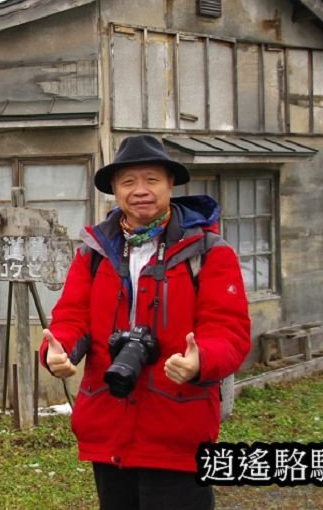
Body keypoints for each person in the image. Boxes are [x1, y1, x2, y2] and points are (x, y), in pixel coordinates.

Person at [40, 134, 251, 510]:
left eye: (152, 179)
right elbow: (71, 316)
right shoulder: (96, 252)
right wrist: (60, 349)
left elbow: (228, 329)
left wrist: (200, 358)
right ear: (115, 191)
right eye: (128, 182)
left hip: (178, 423)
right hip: (109, 420)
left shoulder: (208, 252)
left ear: (171, 184)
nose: (140, 190)